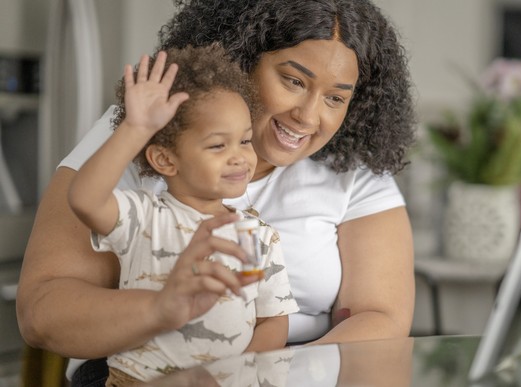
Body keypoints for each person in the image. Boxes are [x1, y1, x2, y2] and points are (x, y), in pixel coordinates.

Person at [17, 0, 416, 384]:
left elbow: (381, 317)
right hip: (142, 369)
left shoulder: (350, 168)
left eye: (335, 98)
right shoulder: (151, 128)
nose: (309, 116)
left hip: (290, 368)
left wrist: (266, 372)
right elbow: (44, 312)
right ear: (241, 61)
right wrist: (160, 310)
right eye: (293, 81)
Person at [67, 44, 299, 385]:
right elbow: (85, 199)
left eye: (245, 141)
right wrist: (135, 128)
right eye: (218, 145)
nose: (239, 157)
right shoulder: (143, 216)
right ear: (165, 160)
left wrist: (231, 373)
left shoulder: (254, 235)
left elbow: (273, 320)